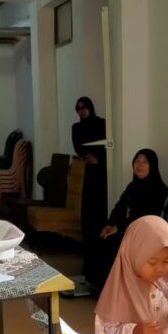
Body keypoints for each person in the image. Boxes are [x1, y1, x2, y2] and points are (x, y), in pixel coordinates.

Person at [95, 216, 168, 334]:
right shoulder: (118, 291)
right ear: (133, 255)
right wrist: (135, 331)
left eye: (166, 262)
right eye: (152, 262)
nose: (159, 269)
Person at [94, 148, 168, 289]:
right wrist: (110, 224)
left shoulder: (159, 189)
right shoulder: (133, 186)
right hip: (127, 227)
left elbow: (144, 217)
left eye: (145, 162)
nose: (139, 165)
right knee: (99, 234)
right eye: (137, 161)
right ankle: (101, 286)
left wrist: (118, 228)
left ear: (152, 165)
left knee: (112, 242)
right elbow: (119, 207)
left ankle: (114, 289)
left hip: (143, 232)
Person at [72, 96, 109, 289]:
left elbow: (108, 145)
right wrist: (89, 156)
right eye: (78, 108)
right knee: (88, 218)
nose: (82, 111)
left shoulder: (102, 124)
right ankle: (88, 267)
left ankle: (100, 267)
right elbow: (79, 147)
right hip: (90, 174)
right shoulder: (76, 128)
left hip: (103, 173)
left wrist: (99, 158)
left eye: (84, 107)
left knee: (100, 216)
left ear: (90, 107)